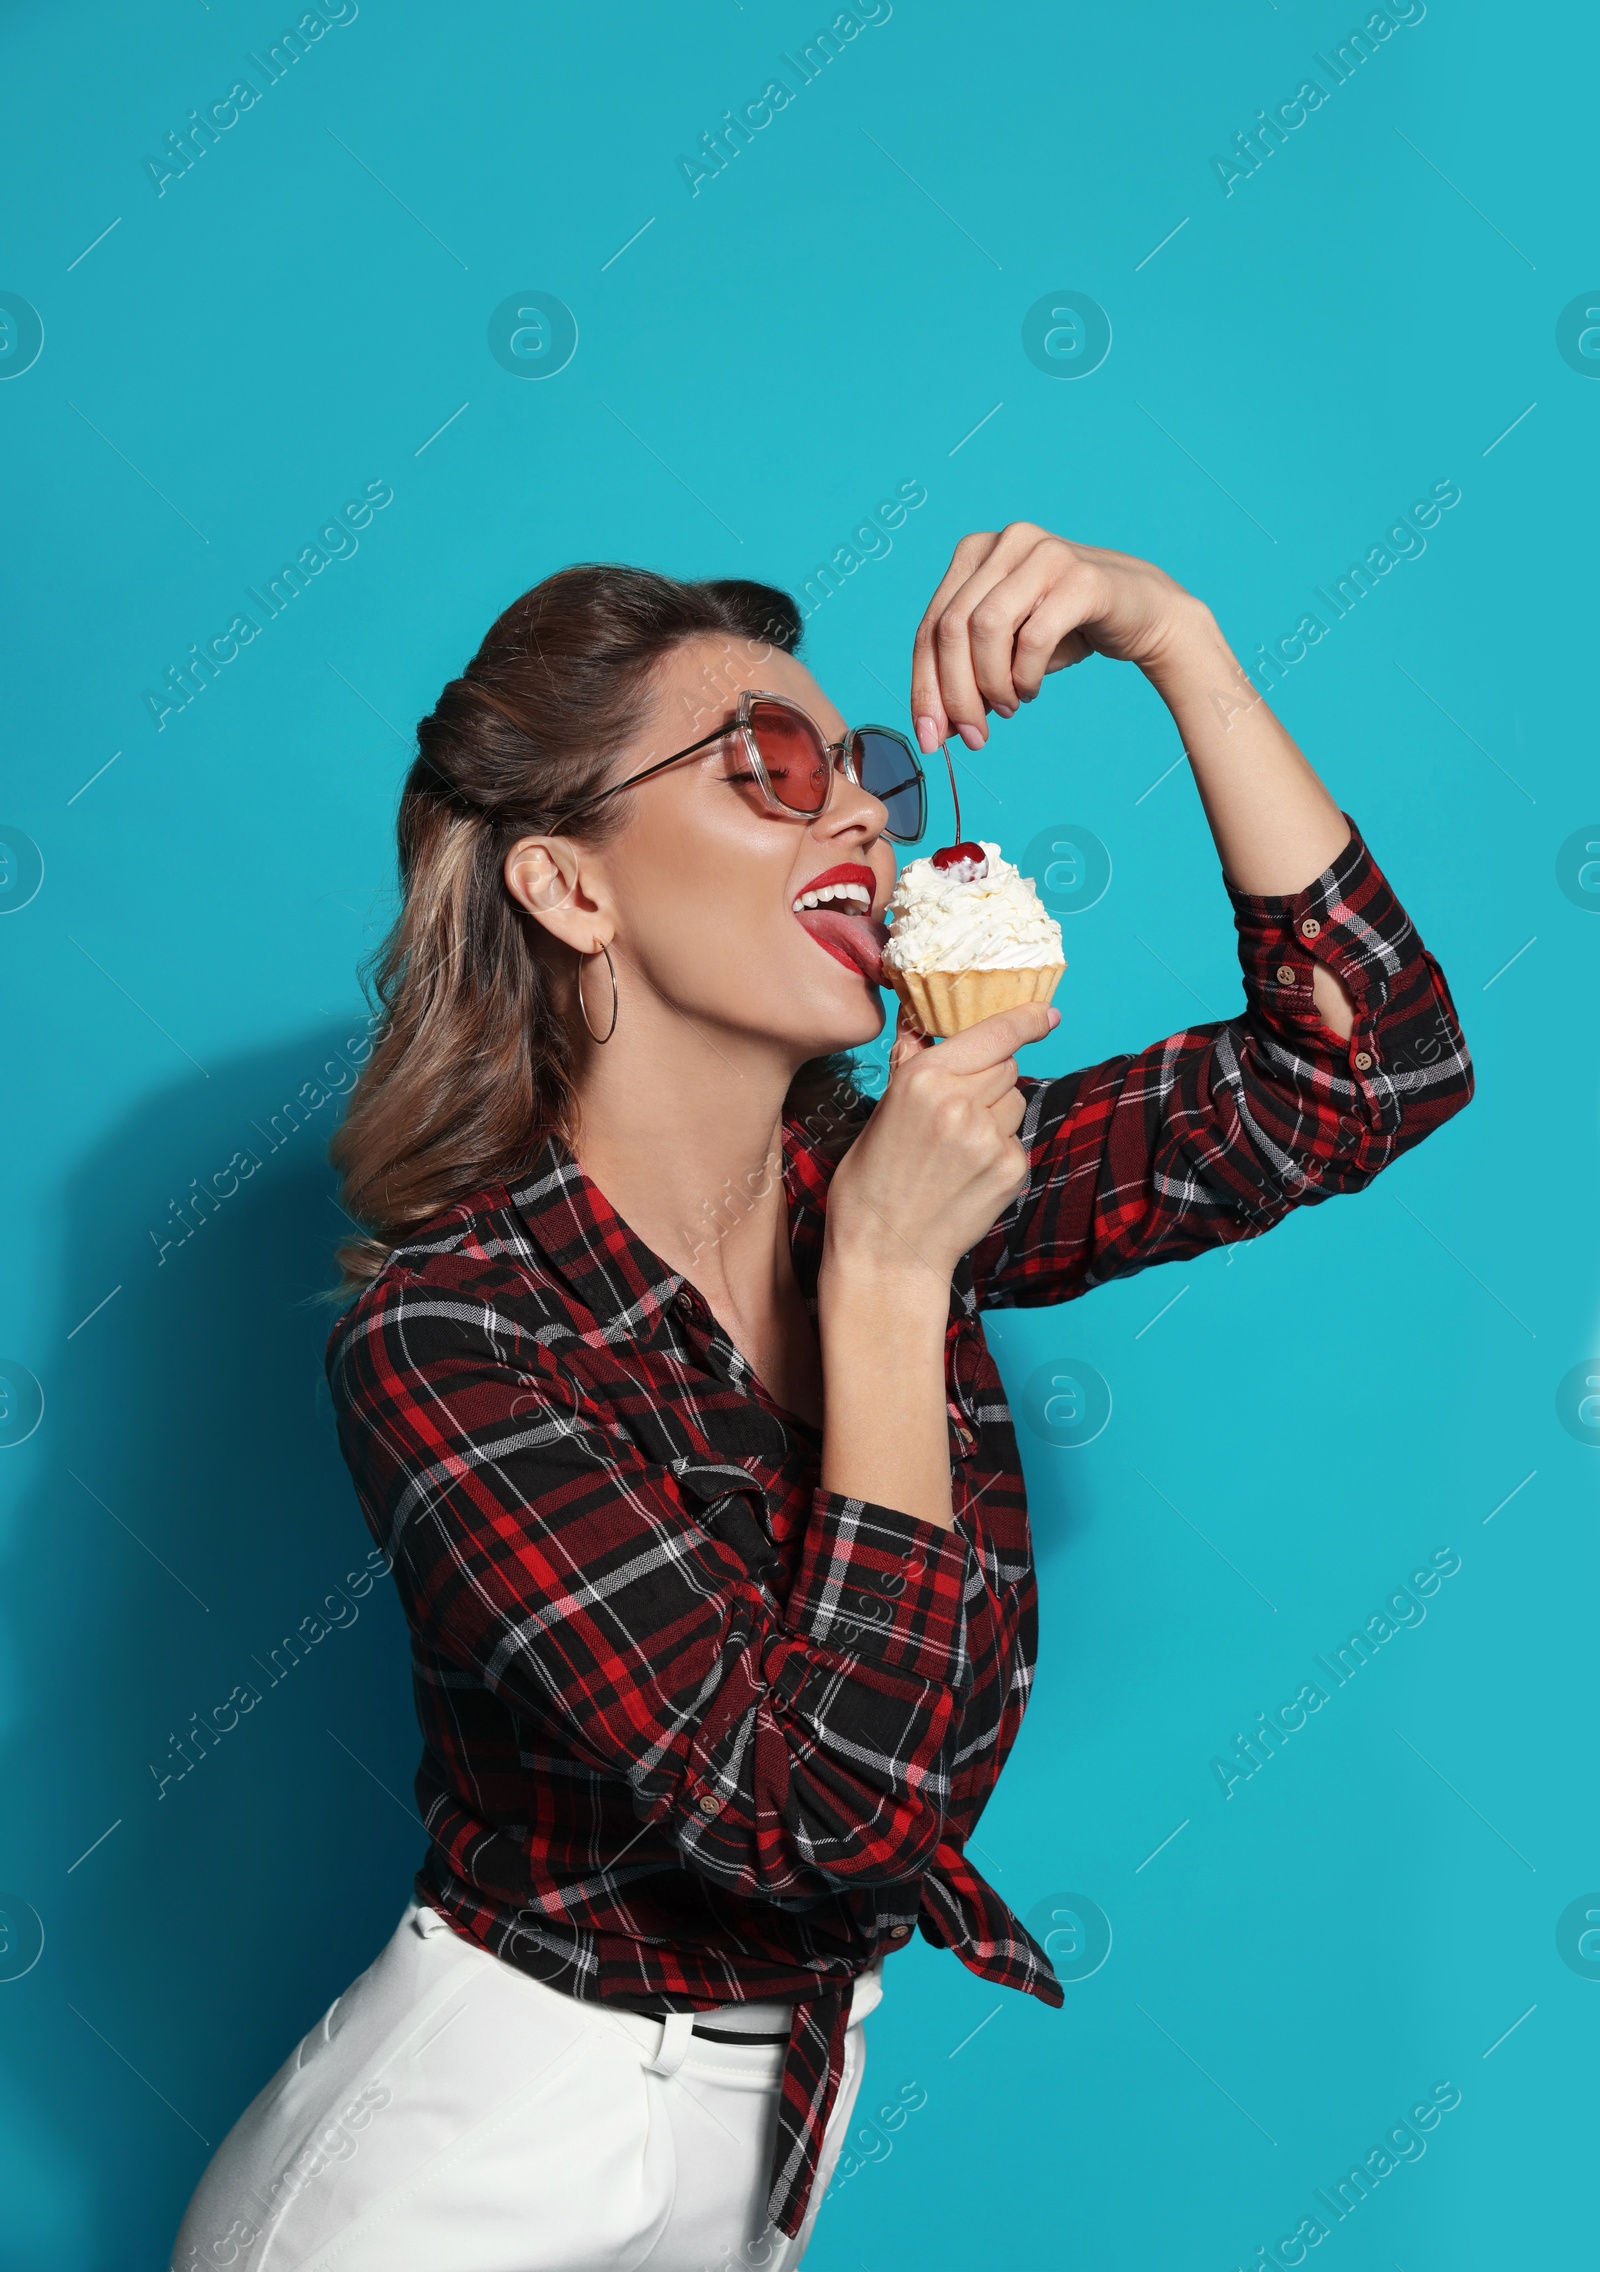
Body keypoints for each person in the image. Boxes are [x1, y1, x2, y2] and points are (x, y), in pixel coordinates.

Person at [171, 525, 1473, 2272]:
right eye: (768, 768)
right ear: (569, 886)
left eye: (862, 765)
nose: (861, 810)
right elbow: (810, 1815)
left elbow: (1371, 1068)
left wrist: (1181, 641)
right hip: (476, 2131)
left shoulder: (868, 1177)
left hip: (780, 2107)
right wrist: (883, 1287)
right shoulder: (454, 1334)